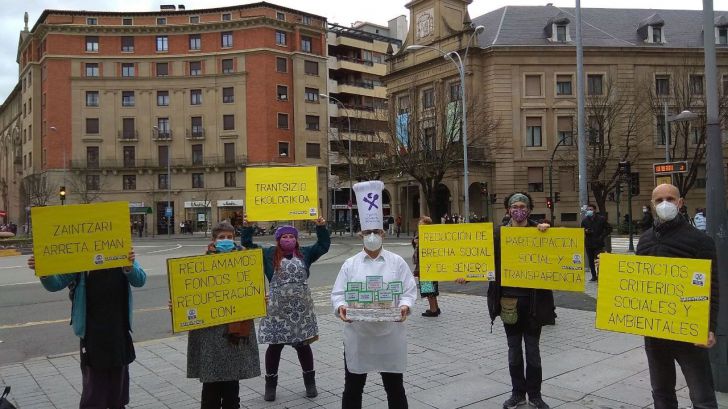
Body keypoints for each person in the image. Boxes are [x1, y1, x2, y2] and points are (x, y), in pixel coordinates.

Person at [332, 180, 418, 409]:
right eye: (368, 232)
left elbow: (409, 290)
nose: (372, 236)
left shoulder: (397, 262)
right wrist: (341, 307)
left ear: (383, 233)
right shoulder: (350, 264)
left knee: (394, 387)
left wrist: (405, 306)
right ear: (361, 234)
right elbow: (338, 293)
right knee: (353, 387)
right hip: (358, 335)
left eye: (376, 231)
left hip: (390, 334)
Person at [463, 192, 553, 409]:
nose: (519, 210)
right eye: (515, 206)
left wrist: (546, 232)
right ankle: (517, 393)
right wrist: (467, 273)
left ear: (529, 210)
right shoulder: (497, 234)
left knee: (533, 353)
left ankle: (536, 395)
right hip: (508, 303)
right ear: (508, 210)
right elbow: (481, 260)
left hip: (534, 304)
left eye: (523, 206)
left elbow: (558, 256)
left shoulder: (540, 232)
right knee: (514, 352)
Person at [27, 250, 146, 408]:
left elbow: (140, 280)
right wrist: (43, 271)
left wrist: (129, 266)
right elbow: (55, 284)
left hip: (119, 331)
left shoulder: (120, 251)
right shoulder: (80, 259)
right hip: (92, 335)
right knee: (94, 393)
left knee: (118, 393)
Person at [637, 184, 720, 409]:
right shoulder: (644, 241)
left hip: (689, 333)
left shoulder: (701, 241)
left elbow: (712, 287)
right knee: (661, 393)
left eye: (670, 199)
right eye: (659, 199)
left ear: (680, 203)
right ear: (652, 205)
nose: (665, 203)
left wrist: (709, 326)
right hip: (655, 333)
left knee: (702, 396)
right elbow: (636, 283)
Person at [242, 218, 330, 402]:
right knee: (274, 347)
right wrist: (247, 227)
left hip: (301, 311)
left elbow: (323, 245)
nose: (288, 239)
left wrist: (320, 226)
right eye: (284, 236)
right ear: (278, 239)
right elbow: (247, 245)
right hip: (277, 311)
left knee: (303, 346)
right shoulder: (268, 254)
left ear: (296, 239)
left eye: (291, 236)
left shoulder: (305, 253)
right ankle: (270, 386)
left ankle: (310, 383)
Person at [186, 222, 261, 409]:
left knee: (231, 388)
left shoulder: (246, 261)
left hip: (234, 332)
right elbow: (189, 291)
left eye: (229, 237)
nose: (226, 241)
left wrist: (260, 298)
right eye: (222, 238)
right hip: (209, 333)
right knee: (210, 390)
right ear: (214, 240)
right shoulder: (200, 263)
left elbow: (252, 289)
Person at [412, 216, 440, 316]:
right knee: (431, 287)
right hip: (424, 265)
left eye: (422, 224)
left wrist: (420, 243)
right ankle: (435, 307)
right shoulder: (419, 235)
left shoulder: (428, 236)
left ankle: (433, 310)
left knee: (428, 288)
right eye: (419, 224)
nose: (420, 226)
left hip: (427, 266)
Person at [581, 204, 608, 281]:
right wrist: (586, 231)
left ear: (595, 210)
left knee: (599, 259)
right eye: (588, 209)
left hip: (598, 243)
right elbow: (581, 230)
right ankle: (593, 276)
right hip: (589, 243)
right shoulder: (585, 220)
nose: (589, 211)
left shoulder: (601, 219)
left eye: (591, 209)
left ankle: (599, 274)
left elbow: (608, 228)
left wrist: (602, 236)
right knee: (590, 260)